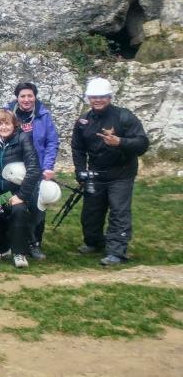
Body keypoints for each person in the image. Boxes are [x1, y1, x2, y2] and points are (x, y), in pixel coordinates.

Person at [72, 77, 149, 266]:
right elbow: (77, 148)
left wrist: (120, 142)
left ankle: (117, 251)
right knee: (91, 212)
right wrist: (81, 171)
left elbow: (142, 143)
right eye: (93, 97)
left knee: (118, 212)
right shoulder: (83, 121)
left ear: (109, 97)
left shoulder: (125, 116)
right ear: (88, 98)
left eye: (102, 97)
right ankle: (93, 242)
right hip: (96, 173)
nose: (97, 100)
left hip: (121, 174)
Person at [0, 109, 42, 269]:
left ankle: (19, 253)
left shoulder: (23, 139)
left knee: (18, 212)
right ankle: (2, 249)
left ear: (14, 125)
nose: (3, 127)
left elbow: (34, 169)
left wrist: (21, 196)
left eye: (7, 123)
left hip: (17, 192)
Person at [5, 82, 59, 260]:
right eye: (23, 96)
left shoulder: (43, 115)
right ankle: (12, 242)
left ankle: (34, 244)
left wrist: (48, 166)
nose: (26, 99)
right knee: (13, 206)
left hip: (38, 169)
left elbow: (52, 142)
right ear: (17, 98)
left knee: (38, 208)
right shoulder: (8, 114)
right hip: (13, 169)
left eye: (30, 96)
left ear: (35, 96)